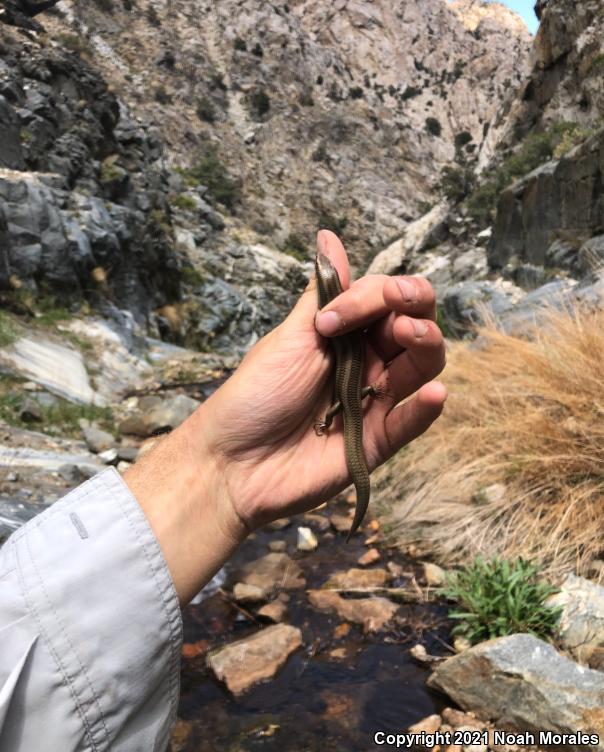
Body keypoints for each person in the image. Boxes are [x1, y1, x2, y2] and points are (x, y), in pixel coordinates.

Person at [0, 230, 447, 750]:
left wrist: (219, 467)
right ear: (328, 294)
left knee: (353, 400)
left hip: (349, 400)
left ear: (321, 293)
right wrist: (220, 466)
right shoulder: (331, 326)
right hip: (347, 401)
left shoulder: (333, 316)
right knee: (351, 401)